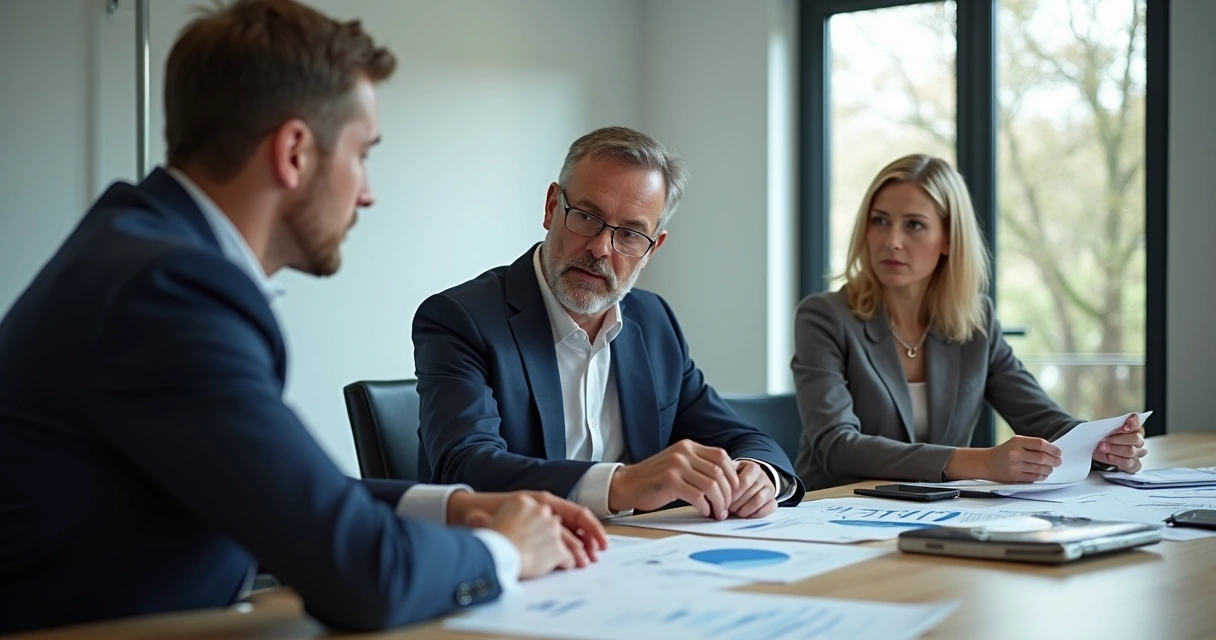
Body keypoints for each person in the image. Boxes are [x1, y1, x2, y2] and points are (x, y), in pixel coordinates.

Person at [0, 0, 606, 634]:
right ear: (294, 152)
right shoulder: (169, 290)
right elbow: (365, 578)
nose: (367, 191)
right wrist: (506, 550)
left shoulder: (144, 252)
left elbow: (286, 497)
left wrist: (460, 507)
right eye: (362, 154)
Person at [412, 126, 805, 521]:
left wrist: (761, 475)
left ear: (653, 248)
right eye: (586, 217)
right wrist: (621, 484)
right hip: (514, 559)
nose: (600, 248)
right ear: (551, 207)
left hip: (637, 559)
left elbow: (740, 438)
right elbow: (464, 467)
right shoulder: (461, 319)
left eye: (631, 234)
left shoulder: (654, 323)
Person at [790, 154, 1148, 490]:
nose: (892, 241)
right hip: (835, 510)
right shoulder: (824, 317)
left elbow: (1043, 419)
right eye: (879, 221)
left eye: (914, 225)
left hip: (935, 514)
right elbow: (837, 446)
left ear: (948, 239)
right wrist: (983, 463)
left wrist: (1102, 447)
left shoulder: (976, 322)